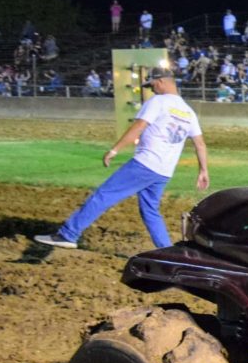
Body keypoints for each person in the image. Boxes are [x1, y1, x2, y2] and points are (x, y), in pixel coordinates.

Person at [34, 68, 209, 250]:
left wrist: (115, 149)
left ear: (160, 82)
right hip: (164, 171)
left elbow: (139, 126)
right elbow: (200, 144)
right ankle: (167, 251)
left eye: (152, 85)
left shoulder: (158, 102)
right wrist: (203, 170)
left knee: (103, 195)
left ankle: (68, 234)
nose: (152, 89)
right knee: (150, 211)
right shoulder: (188, 112)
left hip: (145, 164)